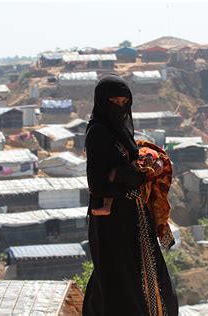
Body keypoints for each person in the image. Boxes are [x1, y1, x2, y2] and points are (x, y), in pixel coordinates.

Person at [82, 75, 178, 316]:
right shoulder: (98, 133)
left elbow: (126, 167)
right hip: (111, 220)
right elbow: (97, 184)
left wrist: (136, 170)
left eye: (125, 101)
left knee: (145, 273)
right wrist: (136, 176)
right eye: (114, 101)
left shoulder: (120, 132)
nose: (120, 106)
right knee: (118, 279)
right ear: (102, 102)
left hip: (134, 215)